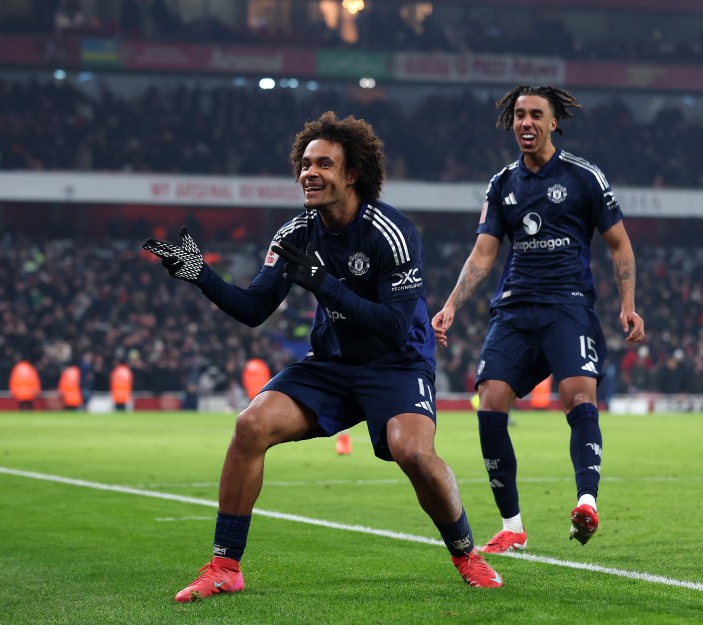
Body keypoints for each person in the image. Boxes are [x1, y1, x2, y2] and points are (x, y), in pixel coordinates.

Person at [143, 111, 503, 603]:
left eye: (324, 164)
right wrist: (200, 274)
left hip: (396, 362)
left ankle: (465, 553)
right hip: (332, 364)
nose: (309, 173)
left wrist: (323, 283)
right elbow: (253, 310)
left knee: (413, 452)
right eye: (305, 164)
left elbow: (397, 325)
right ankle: (225, 565)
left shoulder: (391, 231)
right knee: (251, 425)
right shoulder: (295, 234)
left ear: (352, 174)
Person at [432, 85, 646, 552]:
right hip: (513, 309)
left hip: (568, 306)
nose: (525, 122)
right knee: (489, 401)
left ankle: (586, 502)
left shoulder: (585, 177)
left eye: (535, 115)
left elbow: (619, 244)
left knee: (578, 396)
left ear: (553, 123)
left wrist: (628, 303)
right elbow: (483, 255)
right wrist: (451, 305)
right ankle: (512, 527)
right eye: (519, 115)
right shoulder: (502, 183)